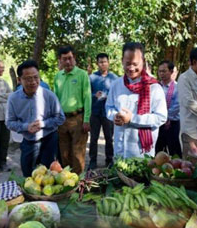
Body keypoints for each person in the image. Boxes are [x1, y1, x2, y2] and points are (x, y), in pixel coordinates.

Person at [105, 42, 167, 159]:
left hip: (142, 152)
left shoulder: (153, 87)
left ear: (143, 61)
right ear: (122, 61)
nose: (131, 68)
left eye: (135, 64)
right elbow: (109, 107)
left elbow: (161, 117)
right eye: (127, 63)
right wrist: (115, 116)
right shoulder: (116, 85)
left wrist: (132, 118)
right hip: (120, 149)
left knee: (141, 176)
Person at [6, 60, 65, 177]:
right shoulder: (13, 99)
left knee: (50, 175)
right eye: (28, 79)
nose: (33, 82)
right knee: (28, 175)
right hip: (28, 140)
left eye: (35, 77)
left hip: (49, 139)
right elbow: (9, 122)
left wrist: (43, 124)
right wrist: (26, 127)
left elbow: (60, 118)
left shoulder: (49, 96)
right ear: (19, 80)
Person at [53, 45, 91, 173]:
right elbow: (56, 99)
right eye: (64, 59)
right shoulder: (58, 76)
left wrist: (86, 120)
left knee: (78, 153)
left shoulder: (82, 74)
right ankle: (67, 182)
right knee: (64, 153)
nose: (68, 62)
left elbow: (87, 98)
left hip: (78, 119)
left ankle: (79, 182)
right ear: (60, 60)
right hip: (62, 120)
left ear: (74, 58)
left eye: (70, 58)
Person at [88, 53, 118, 169]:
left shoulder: (114, 78)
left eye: (105, 62)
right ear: (97, 64)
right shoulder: (92, 78)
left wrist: (108, 96)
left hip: (108, 113)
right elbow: (86, 94)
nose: (103, 64)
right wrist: (94, 95)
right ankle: (92, 160)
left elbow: (116, 94)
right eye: (100, 62)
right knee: (94, 137)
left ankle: (109, 160)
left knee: (109, 137)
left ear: (108, 62)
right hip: (95, 112)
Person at [155, 60, 182, 156]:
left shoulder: (177, 87)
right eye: (160, 71)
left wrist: (164, 116)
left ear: (171, 72)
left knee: (174, 150)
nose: (161, 74)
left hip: (172, 123)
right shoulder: (156, 87)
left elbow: (177, 106)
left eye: (164, 71)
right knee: (158, 150)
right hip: (158, 123)